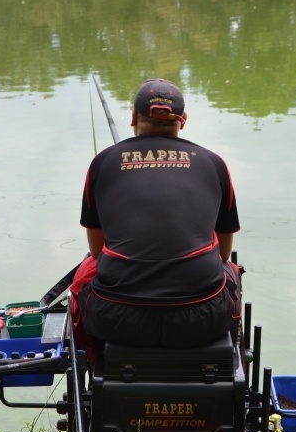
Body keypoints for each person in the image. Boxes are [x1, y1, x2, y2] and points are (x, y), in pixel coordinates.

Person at [70, 78, 241, 355]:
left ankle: (93, 362)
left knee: (87, 271)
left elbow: (97, 251)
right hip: (203, 319)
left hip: (117, 319)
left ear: (134, 117)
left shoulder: (103, 162)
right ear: (183, 121)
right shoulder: (214, 163)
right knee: (231, 270)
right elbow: (223, 253)